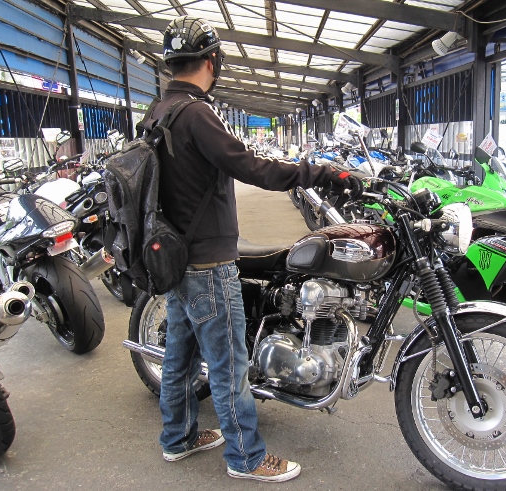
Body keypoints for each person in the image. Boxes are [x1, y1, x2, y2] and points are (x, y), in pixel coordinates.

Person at [151, 16, 362, 483]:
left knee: (180, 358)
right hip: (208, 262)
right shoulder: (196, 113)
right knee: (229, 364)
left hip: (176, 257)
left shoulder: (159, 111)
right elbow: (252, 167)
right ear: (212, 61)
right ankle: (245, 458)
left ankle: (177, 438)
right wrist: (319, 173)